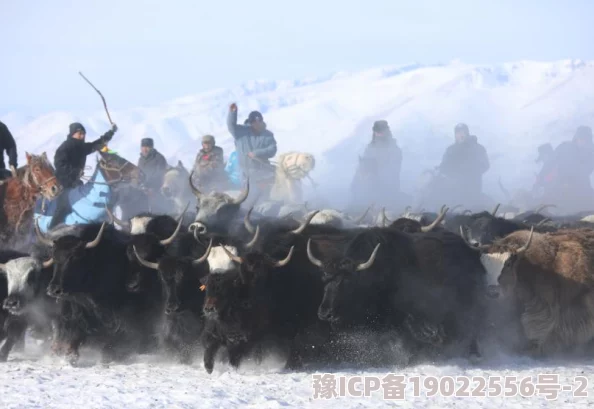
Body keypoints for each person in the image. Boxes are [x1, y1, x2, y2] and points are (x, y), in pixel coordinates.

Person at [50, 122, 117, 228]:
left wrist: (111, 132)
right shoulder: (65, 147)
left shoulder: (82, 147)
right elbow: (59, 164)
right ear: (72, 134)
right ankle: (51, 231)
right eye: (79, 133)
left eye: (83, 133)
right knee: (63, 207)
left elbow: (97, 144)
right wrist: (75, 171)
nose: (82, 135)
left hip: (75, 182)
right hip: (63, 183)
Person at [351, 120, 402, 206]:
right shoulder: (370, 147)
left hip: (386, 184)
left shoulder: (394, 149)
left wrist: (378, 169)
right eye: (376, 133)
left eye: (380, 133)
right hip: (369, 180)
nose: (378, 135)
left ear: (386, 133)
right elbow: (363, 163)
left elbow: (394, 171)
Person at [436, 123, 490, 204]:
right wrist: (444, 170)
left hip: (473, 188)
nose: (461, 135)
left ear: (467, 133)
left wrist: (472, 172)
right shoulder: (450, 150)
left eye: (463, 132)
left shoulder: (478, 148)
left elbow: (485, 165)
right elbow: (444, 166)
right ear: (455, 135)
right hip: (454, 190)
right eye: (458, 133)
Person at [226, 103, 277, 188]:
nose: (257, 123)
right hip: (245, 173)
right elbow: (231, 126)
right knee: (249, 197)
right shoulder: (240, 132)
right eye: (254, 122)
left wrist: (257, 153)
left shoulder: (268, 135)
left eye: (259, 121)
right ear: (250, 123)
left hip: (263, 170)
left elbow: (272, 149)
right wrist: (232, 112)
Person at [544, 126, 594, 211]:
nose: (582, 141)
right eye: (581, 138)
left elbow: (589, 169)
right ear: (576, 137)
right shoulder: (565, 147)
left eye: (585, 139)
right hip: (562, 184)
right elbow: (550, 163)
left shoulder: (591, 151)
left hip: (582, 186)